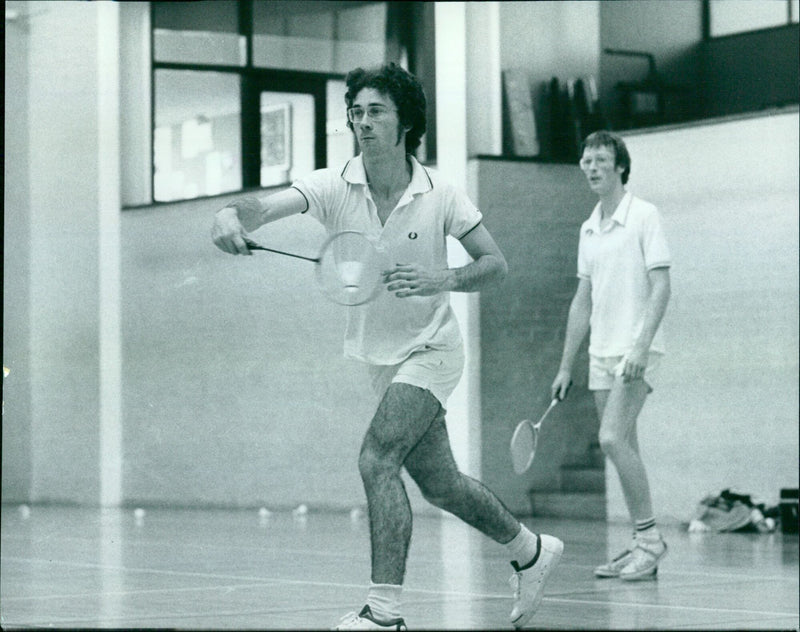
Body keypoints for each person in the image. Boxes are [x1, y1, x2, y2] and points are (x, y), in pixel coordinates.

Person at [212, 63, 562, 630]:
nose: (364, 122)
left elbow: (495, 264)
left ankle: (385, 613)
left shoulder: (440, 192)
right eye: (357, 112)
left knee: (376, 459)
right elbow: (267, 207)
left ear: (405, 122)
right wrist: (230, 213)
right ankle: (530, 549)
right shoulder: (333, 185)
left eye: (377, 111)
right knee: (441, 484)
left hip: (433, 349)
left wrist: (442, 279)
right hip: (380, 358)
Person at [551, 130, 671, 581]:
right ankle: (642, 544)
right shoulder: (588, 227)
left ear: (620, 165)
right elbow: (583, 300)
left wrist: (640, 346)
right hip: (600, 352)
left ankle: (650, 540)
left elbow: (662, 285)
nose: (591, 167)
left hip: (635, 350)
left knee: (610, 439)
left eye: (600, 159)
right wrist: (566, 364)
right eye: (586, 160)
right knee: (625, 444)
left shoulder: (644, 216)